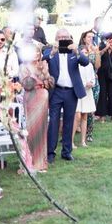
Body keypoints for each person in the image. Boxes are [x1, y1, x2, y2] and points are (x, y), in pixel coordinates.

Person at [43, 29, 90, 162]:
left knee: (69, 122)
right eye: (60, 37)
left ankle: (66, 151)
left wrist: (77, 52)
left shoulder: (74, 51)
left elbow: (86, 62)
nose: (63, 39)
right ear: (56, 38)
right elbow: (43, 59)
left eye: (65, 37)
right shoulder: (50, 50)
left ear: (70, 38)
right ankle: (50, 153)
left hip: (71, 92)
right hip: (56, 91)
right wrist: (53, 52)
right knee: (53, 122)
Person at [20, 47, 54, 172]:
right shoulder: (24, 66)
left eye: (38, 52)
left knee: (41, 130)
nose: (36, 54)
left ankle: (41, 163)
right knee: (31, 129)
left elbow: (50, 83)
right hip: (30, 98)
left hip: (43, 97)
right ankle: (30, 162)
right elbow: (27, 84)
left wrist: (45, 74)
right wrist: (36, 74)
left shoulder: (44, 64)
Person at [78, 30, 101, 143]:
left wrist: (96, 52)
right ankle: (77, 129)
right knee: (79, 110)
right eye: (88, 37)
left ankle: (89, 133)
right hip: (81, 82)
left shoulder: (95, 50)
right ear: (84, 38)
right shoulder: (80, 50)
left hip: (94, 81)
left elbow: (97, 66)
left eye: (92, 37)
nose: (91, 39)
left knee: (91, 109)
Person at [95, 32, 112, 123]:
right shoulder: (102, 47)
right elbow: (98, 56)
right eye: (109, 40)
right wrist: (106, 48)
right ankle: (102, 115)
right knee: (102, 94)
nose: (111, 42)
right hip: (102, 73)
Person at [72, 55, 96, 149]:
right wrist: (84, 83)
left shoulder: (89, 65)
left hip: (87, 92)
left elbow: (93, 78)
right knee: (77, 116)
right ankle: (71, 141)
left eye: (86, 52)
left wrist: (91, 83)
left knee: (84, 116)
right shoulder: (75, 64)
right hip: (77, 92)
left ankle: (83, 141)